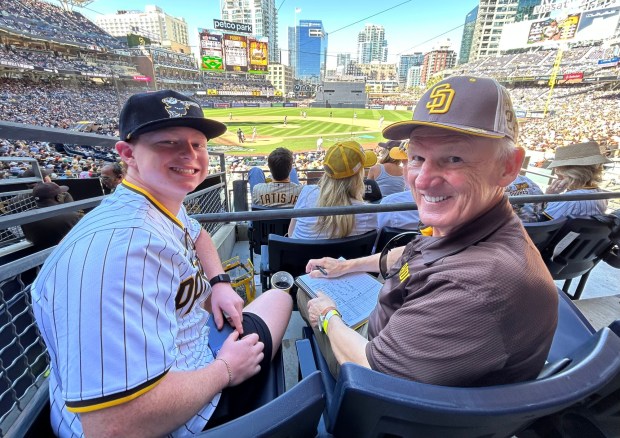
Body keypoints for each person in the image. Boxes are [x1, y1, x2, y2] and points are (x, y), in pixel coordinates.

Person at [31, 90, 293, 437]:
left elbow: (197, 233)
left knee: (272, 298)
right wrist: (227, 370)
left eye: (198, 144)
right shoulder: (118, 253)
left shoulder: (158, 199)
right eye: (168, 142)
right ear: (128, 154)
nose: (189, 155)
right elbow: (113, 428)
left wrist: (219, 283)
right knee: (282, 295)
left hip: (190, 350)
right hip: (172, 415)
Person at [298, 76, 558, 386]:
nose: (421, 180)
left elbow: (371, 370)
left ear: (508, 167)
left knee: (305, 293)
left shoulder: (474, 287)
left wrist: (328, 315)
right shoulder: (473, 225)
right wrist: (347, 266)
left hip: (372, 374)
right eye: (418, 157)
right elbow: (415, 251)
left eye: (453, 158)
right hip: (394, 330)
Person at [289, 141, 378, 239]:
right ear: (359, 175)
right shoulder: (369, 213)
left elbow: (291, 233)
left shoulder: (307, 193)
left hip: (301, 254)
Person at [543, 141, 611, 219]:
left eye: (558, 169)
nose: (556, 171)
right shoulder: (601, 195)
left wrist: (547, 196)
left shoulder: (568, 200)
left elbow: (540, 223)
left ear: (568, 172)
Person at [20, 182, 80, 250]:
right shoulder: (71, 215)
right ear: (58, 197)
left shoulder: (25, 217)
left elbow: (29, 239)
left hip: (43, 256)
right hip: (68, 252)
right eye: (61, 194)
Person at [376, 141, 420, 230]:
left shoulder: (389, 203)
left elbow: (379, 235)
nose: (403, 168)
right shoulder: (451, 204)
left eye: (405, 163)